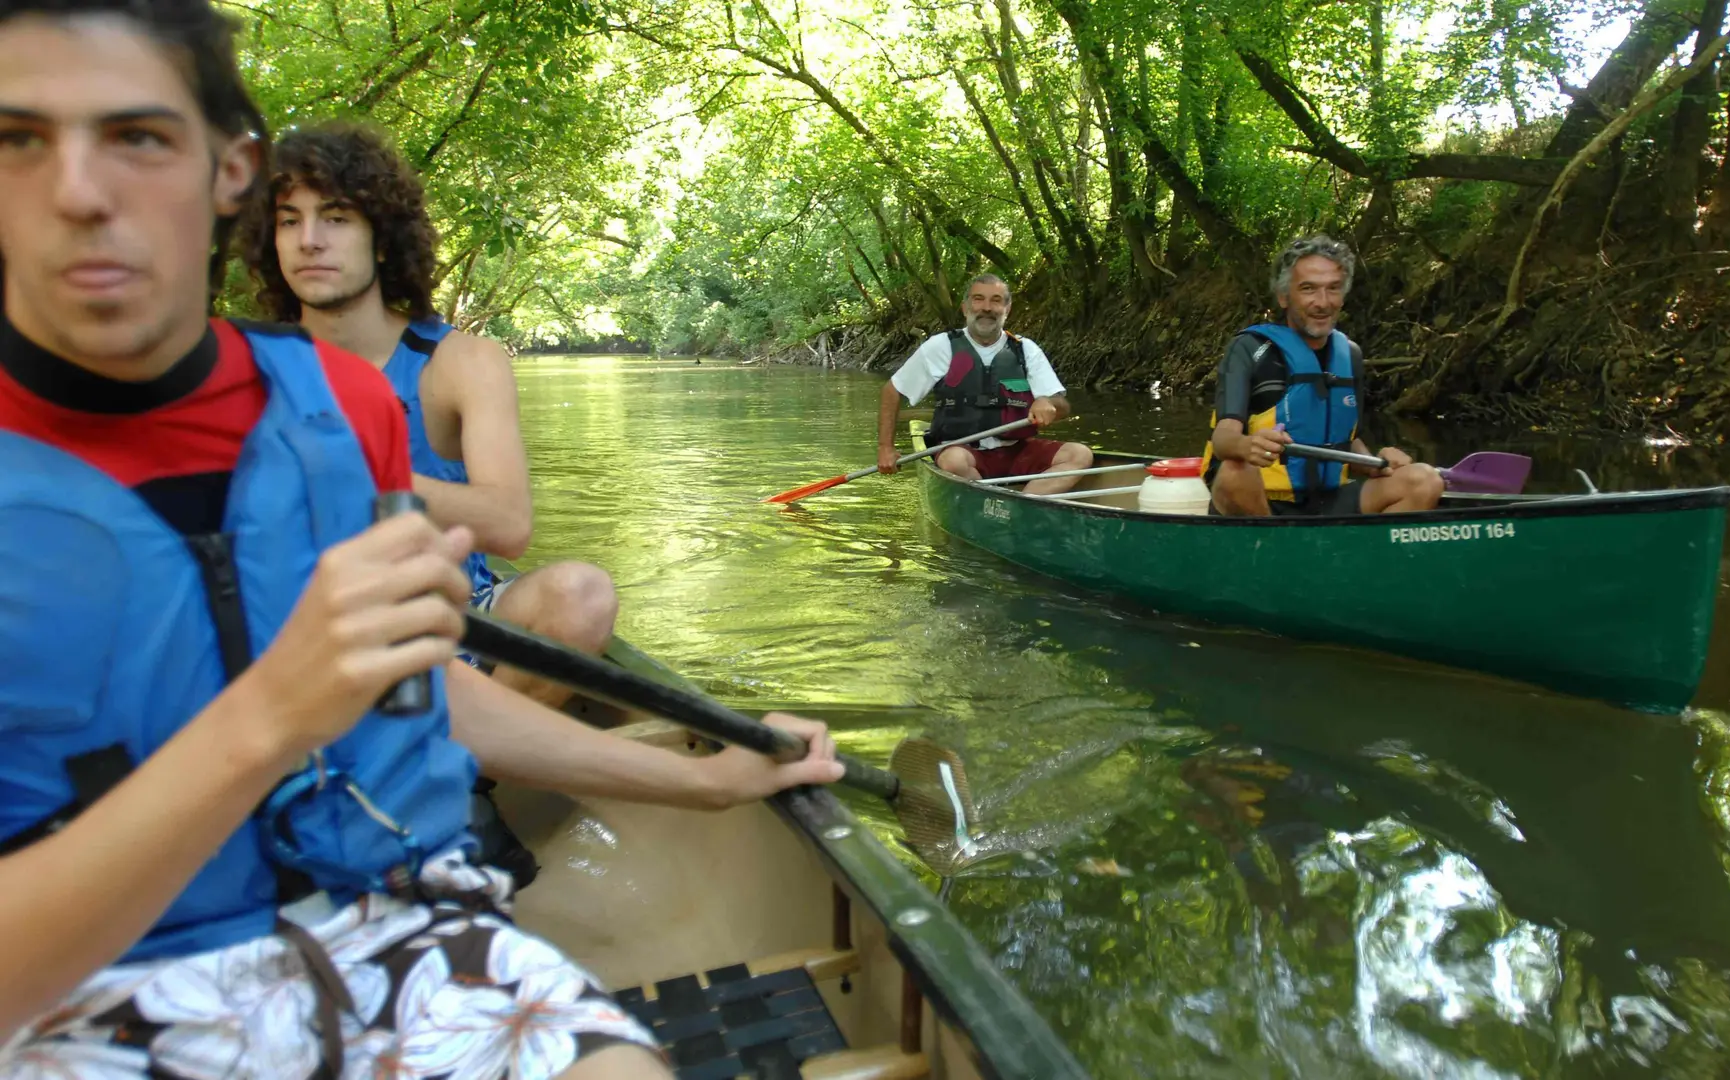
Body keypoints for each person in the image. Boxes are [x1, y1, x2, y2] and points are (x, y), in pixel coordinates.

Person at [0, 4, 842, 1076]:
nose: (80, 191)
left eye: (137, 137)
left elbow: (420, 688)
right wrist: (271, 714)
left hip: (395, 928)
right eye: (17, 139)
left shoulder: (335, 408)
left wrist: (706, 780)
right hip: (90, 996)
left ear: (227, 172)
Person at [242, 121, 610, 709]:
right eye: (289, 220)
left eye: (336, 218)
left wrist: (351, 472)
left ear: (382, 240)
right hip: (307, 636)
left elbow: (509, 525)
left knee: (581, 595)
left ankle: (474, 772)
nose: (309, 239)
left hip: (457, 623)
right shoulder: (244, 371)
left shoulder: (459, 362)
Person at [1203, 235, 1444, 516]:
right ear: (1284, 296)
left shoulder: (1350, 355)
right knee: (1234, 471)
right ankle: (1274, 548)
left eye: (1333, 289)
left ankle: (1358, 556)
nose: (1323, 302)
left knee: (1424, 480)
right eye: (1308, 289)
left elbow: (1349, 440)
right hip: (1261, 504)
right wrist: (1246, 445)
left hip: (1327, 502)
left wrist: (1377, 462)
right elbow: (1223, 439)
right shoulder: (1250, 349)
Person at [877, 273, 1092, 495]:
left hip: (1016, 450)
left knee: (1080, 454)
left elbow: (1062, 405)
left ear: (1007, 309)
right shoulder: (941, 347)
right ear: (965, 307)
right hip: (963, 452)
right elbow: (893, 391)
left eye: (996, 300)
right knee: (953, 461)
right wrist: (886, 448)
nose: (987, 307)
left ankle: (1027, 501)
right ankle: (987, 500)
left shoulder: (1025, 349)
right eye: (979, 299)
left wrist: (1048, 402)